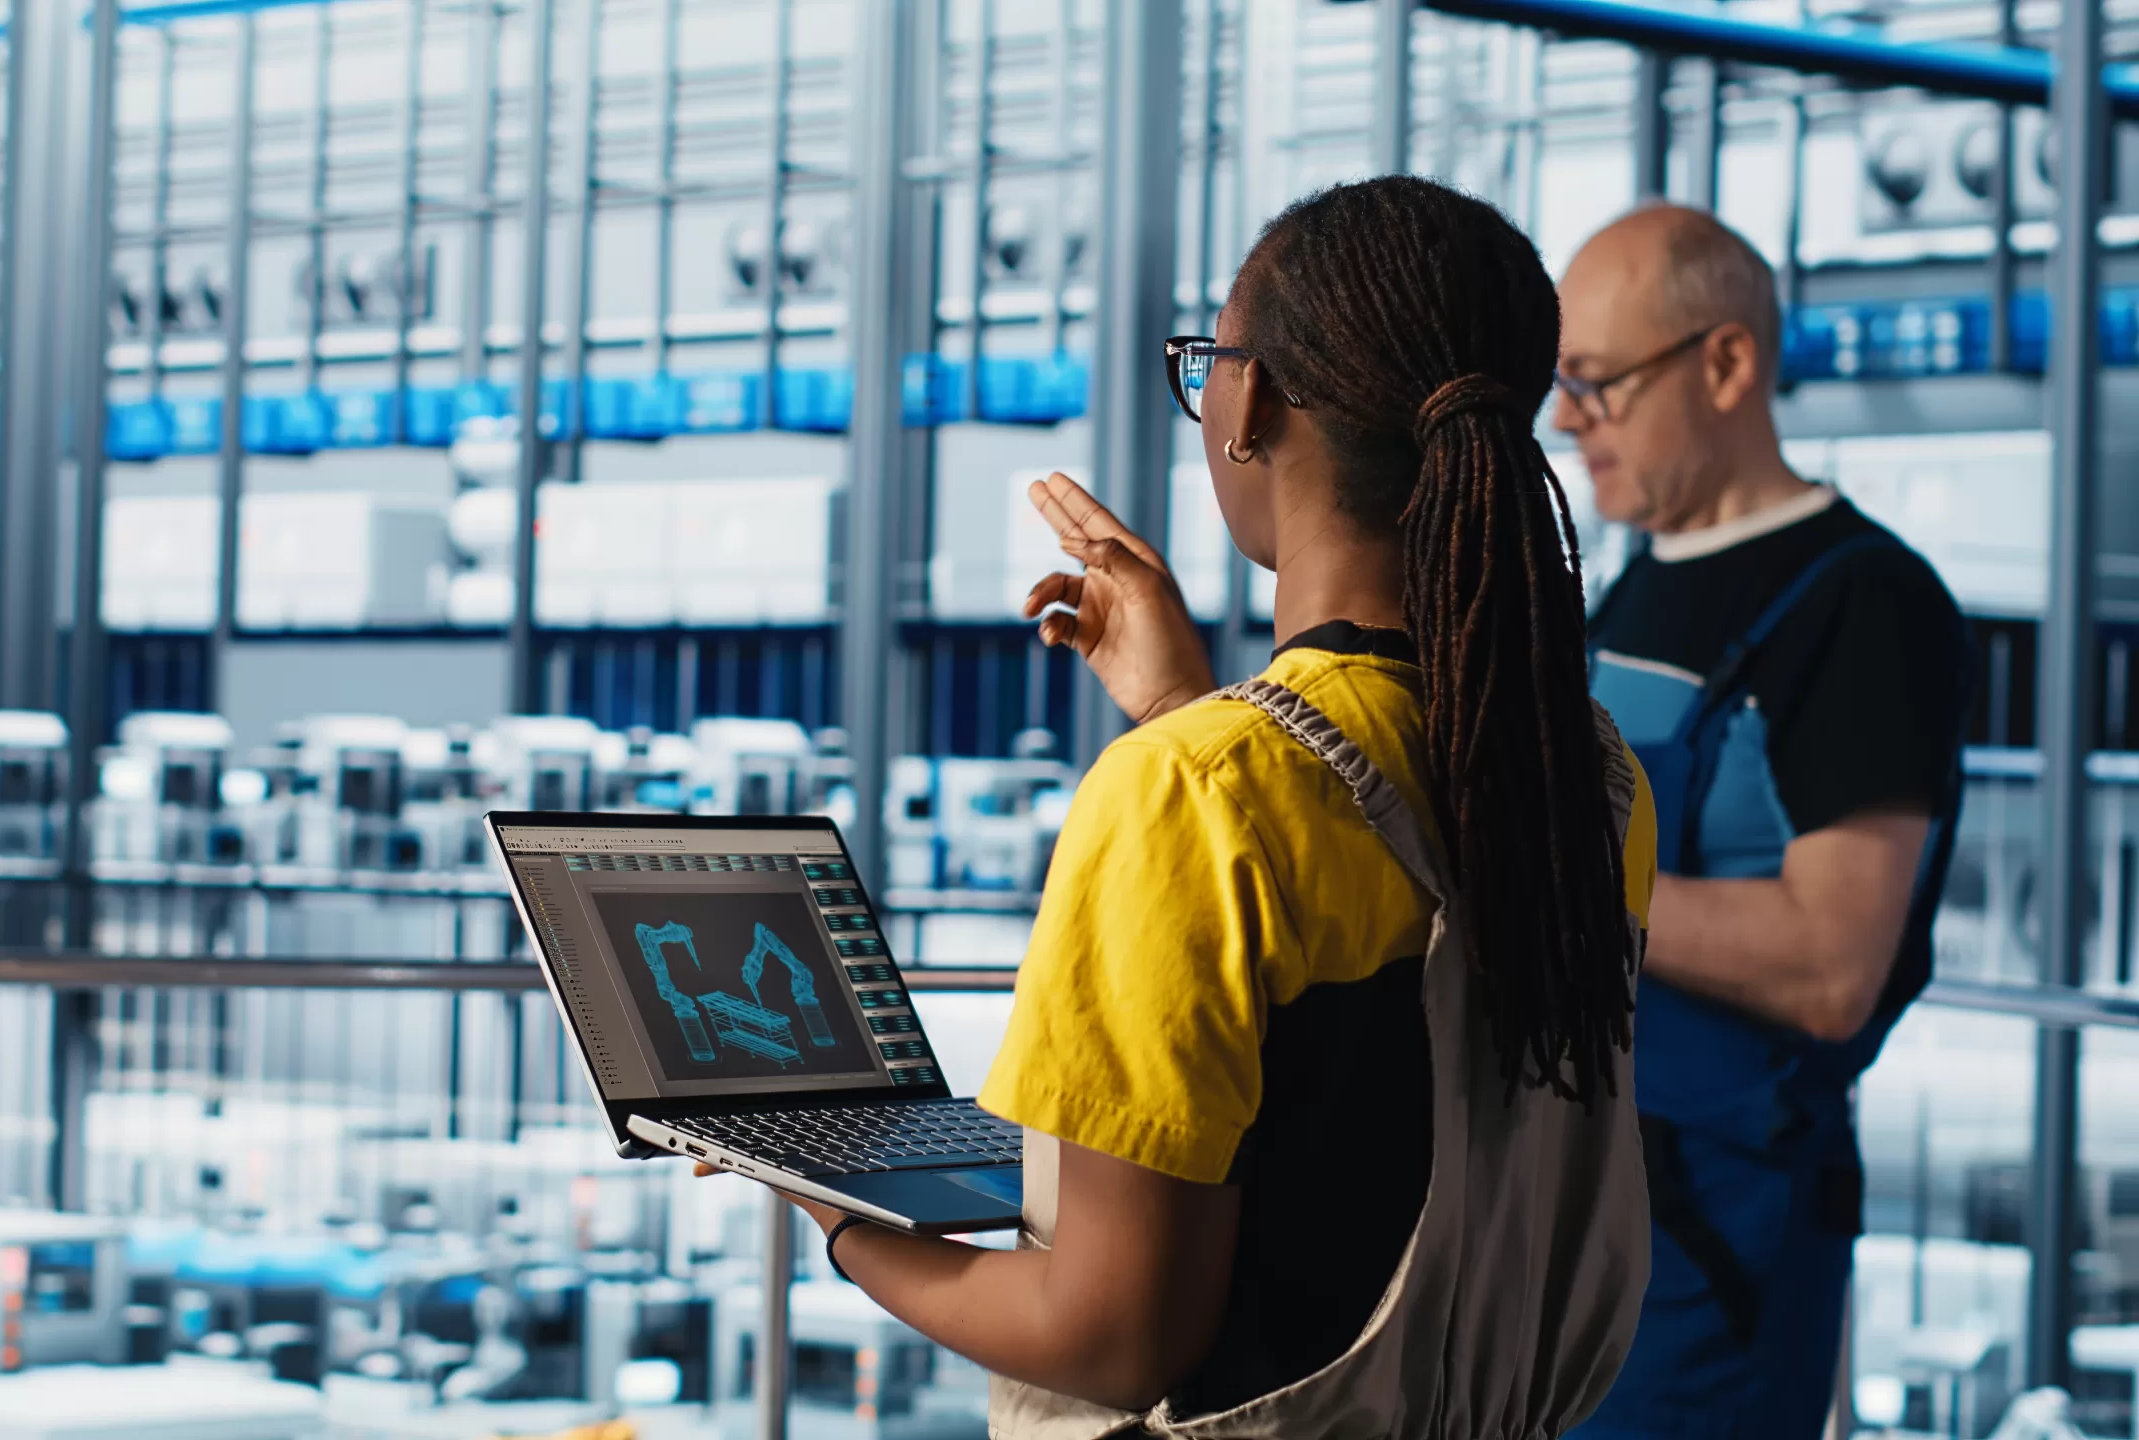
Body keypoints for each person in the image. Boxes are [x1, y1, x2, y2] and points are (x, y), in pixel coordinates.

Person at [709, 176, 1658, 1437]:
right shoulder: (1587, 778)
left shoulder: (1196, 799)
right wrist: (1187, 718)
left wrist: (831, 1208)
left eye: (1209, 357)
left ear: (1249, 401)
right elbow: (1365, 1140)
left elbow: (1107, 1336)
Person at [1555, 204, 1973, 1440]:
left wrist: (1548, 872)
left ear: (1726, 363)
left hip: (1716, 1242)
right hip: (1575, 1196)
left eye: (1597, 385)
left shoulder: (1861, 605)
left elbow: (1832, 966)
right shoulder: (1632, 585)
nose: (1571, 423)